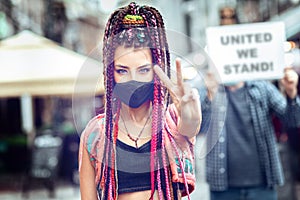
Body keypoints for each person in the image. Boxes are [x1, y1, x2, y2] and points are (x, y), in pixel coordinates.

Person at [78, 2, 202, 200]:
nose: (132, 80)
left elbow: (189, 126)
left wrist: (191, 115)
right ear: (111, 73)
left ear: (156, 71)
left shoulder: (172, 122)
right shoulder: (96, 135)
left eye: (143, 70)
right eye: (122, 70)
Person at [202, 7, 300, 200]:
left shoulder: (262, 88)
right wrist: (209, 97)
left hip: (262, 186)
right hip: (223, 188)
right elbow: (196, 129)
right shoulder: (209, 90)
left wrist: (291, 93)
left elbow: (293, 120)